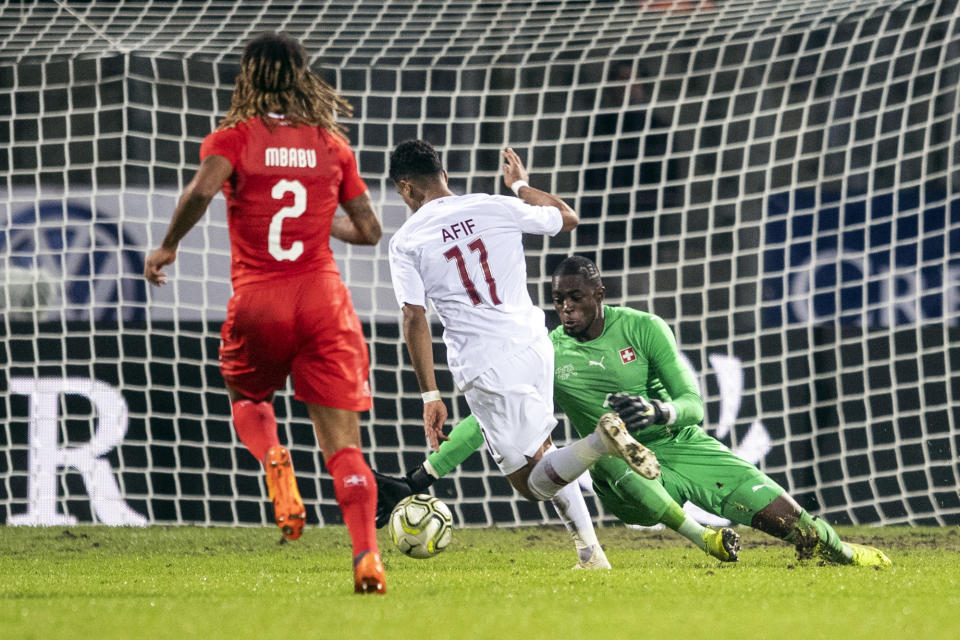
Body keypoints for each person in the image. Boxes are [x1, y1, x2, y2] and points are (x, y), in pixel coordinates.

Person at [375, 256, 892, 568]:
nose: (566, 308)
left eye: (576, 298)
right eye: (558, 300)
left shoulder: (645, 328)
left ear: (600, 295)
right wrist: (426, 473)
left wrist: (657, 410)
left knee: (794, 525)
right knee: (608, 445)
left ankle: (844, 554)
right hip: (623, 478)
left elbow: (694, 405)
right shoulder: (549, 352)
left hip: (685, 448)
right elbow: (487, 418)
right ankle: (702, 537)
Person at [144, 32, 386, 594]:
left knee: (247, 397)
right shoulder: (332, 146)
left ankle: (274, 458)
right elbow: (370, 231)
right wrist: (319, 215)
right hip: (324, 302)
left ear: (247, 78)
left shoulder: (233, 139)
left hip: (259, 299)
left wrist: (169, 245)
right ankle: (367, 559)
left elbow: (202, 193)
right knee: (345, 445)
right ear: (304, 77)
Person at [387, 139, 661, 570]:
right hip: (536, 344)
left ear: (406, 188)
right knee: (544, 450)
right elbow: (566, 217)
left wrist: (430, 395)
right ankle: (591, 554)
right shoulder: (495, 204)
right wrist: (520, 186)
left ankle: (598, 442)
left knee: (532, 485)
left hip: (487, 364)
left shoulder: (407, 240)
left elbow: (413, 316)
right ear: (444, 176)